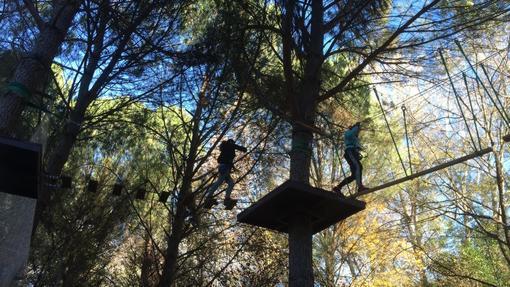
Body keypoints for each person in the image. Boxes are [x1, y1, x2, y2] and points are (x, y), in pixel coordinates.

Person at [205, 139, 247, 209]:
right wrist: (244, 149)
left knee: (231, 183)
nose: (233, 144)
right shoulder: (229, 145)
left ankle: (227, 199)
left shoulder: (227, 150)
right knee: (219, 181)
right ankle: (209, 197)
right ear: (230, 142)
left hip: (225, 168)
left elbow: (226, 160)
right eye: (233, 143)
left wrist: (233, 167)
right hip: (224, 167)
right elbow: (237, 147)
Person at [333, 122, 368, 196]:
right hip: (350, 151)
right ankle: (360, 187)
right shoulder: (349, 133)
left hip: (352, 152)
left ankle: (338, 187)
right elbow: (351, 134)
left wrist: (359, 153)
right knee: (358, 166)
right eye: (357, 130)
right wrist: (357, 126)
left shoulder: (354, 137)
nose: (358, 132)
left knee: (354, 176)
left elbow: (357, 145)